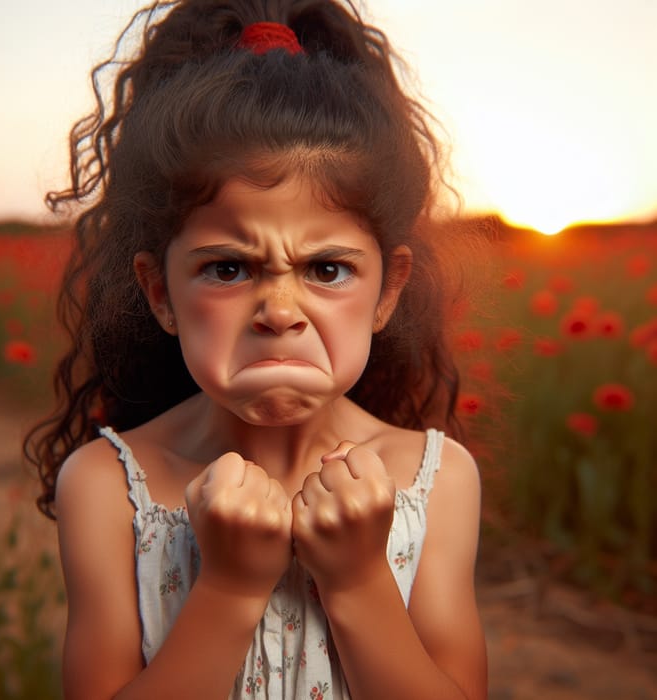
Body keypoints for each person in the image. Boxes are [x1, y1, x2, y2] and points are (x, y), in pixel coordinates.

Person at [26, 1, 487, 697]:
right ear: (160, 293)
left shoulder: (436, 479)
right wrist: (231, 589)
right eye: (228, 268)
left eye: (326, 269)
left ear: (388, 290)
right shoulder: (107, 487)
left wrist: (360, 582)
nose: (278, 312)